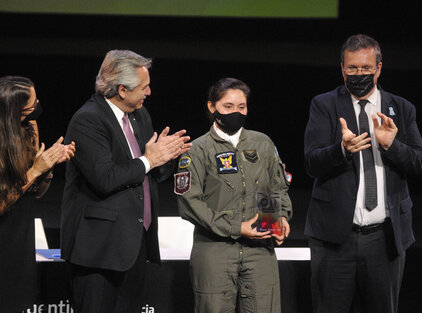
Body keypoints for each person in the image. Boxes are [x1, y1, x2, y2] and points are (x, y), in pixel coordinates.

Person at [60, 49, 191, 313]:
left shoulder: (139, 115)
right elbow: (105, 178)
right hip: (99, 251)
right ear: (121, 90)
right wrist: (149, 160)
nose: (149, 92)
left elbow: (148, 170)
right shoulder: (88, 120)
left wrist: (166, 157)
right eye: (144, 87)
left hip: (134, 245)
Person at [304, 34, 422, 313]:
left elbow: (418, 162)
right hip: (334, 240)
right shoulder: (324, 104)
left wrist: (392, 145)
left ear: (379, 68)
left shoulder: (402, 108)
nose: (359, 74)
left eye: (366, 68)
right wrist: (342, 150)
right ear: (342, 69)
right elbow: (311, 163)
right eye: (352, 68)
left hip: (385, 239)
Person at [0, 76, 75, 313]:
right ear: (12, 111)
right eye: (30, 106)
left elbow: (36, 192)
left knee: (16, 301)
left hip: (19, 236)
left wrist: (49, 166)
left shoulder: (28, 128)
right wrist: (35, 171)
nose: (35, 109)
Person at [176, 77, 292, 313]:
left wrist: (276, 221)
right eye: (228, 107)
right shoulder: (197, 150)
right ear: (212, 107)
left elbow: (274, 187)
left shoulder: (262, 143)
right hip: (214, 250)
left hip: (259, 250)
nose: (236, 113)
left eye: (241, 107)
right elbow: (189, 203)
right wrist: (236, 228)